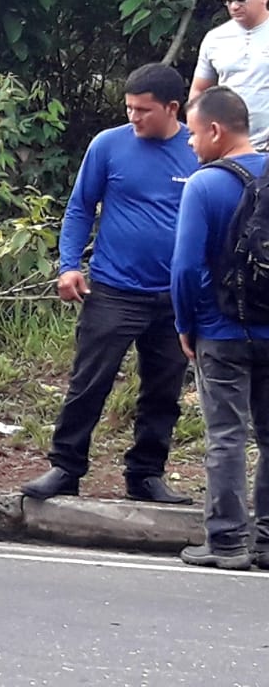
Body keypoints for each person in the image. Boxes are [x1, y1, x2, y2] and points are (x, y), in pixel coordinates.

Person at [20, 64, 198, 504]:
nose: (134, 117)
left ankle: (146, 474)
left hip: (175, 296)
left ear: (172, 108)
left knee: (164, 388)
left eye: (144, 110)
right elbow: (80, 207)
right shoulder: (108, 145)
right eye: (129, 108)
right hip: (115, 289)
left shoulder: (196, 150)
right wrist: (68, 265)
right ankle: (66, 467)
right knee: (89, 382)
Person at [171, 86, 269, 570]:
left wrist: (186, 323)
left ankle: (227, 542)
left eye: (193, 134)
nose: (190, 144)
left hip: (221, 331)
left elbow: (186, 268)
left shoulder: (204, 185)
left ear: (215, 130)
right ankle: (268, 542)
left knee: (227, 434)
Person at [189, 0, 269, 151]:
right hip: (226, 148)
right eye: (228, 1)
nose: (234, 6)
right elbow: (199, 91)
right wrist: (200, 132)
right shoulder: (214, 38)